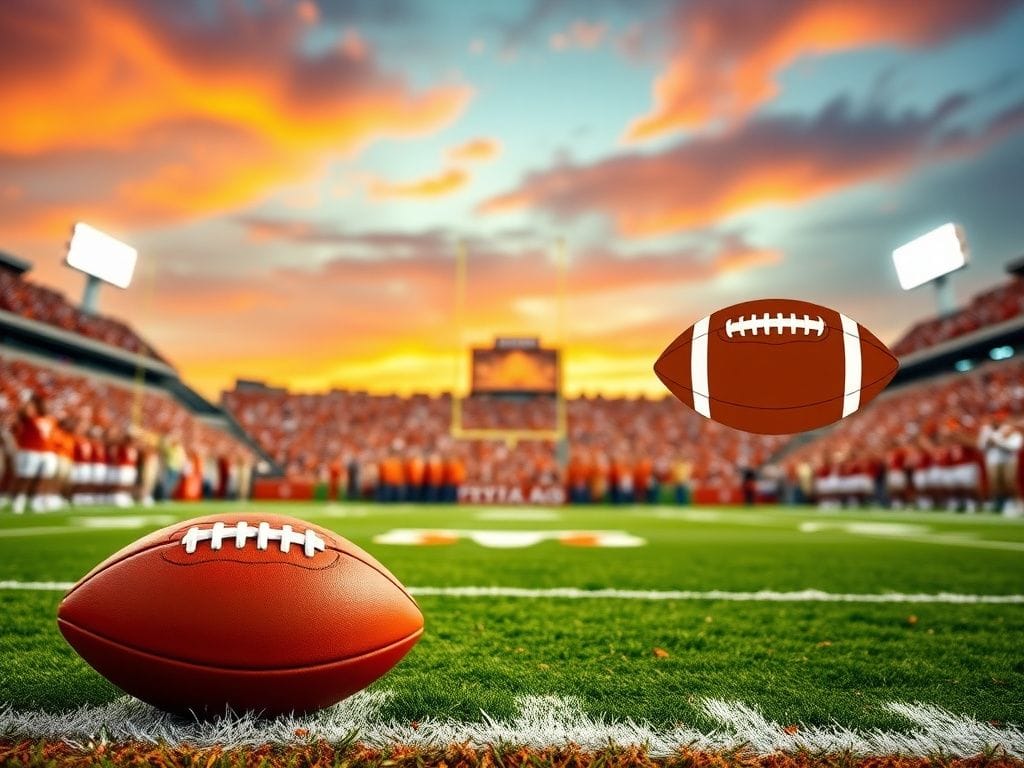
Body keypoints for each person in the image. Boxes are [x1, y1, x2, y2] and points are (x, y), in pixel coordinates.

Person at [979, 413, 1022, 514]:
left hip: (1008, 459)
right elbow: (981, 446)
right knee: (995, 484)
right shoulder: (987, 430)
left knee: (1009, 482)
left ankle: (1017, 503)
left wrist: (998, 442)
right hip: (993, 459)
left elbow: (1014, 446)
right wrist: (990, 442)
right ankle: (1000, 503)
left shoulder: (1011, 431)